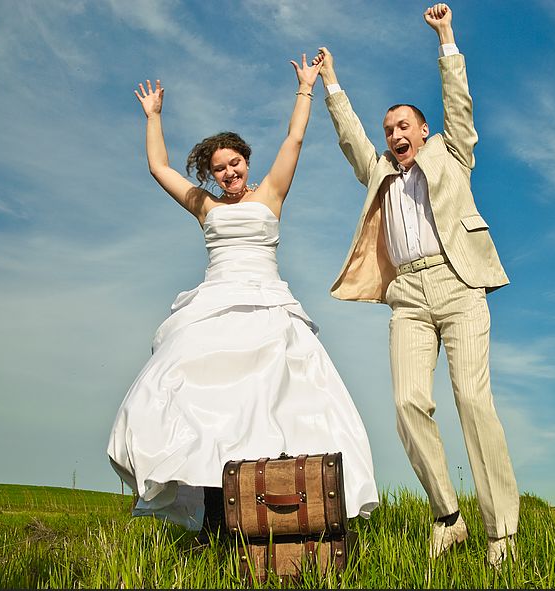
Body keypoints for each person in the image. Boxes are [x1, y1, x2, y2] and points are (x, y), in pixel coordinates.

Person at [107, 55, 379, 545]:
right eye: (219, 169)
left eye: (234, 163)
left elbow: (294, 139)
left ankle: (284, 513)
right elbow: (158, 167)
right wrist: (153, 116)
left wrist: (305, 88)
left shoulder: (271, 194)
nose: (229, 172)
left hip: (268, 306)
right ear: (211, 176)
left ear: (246, 162)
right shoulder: (205, 206)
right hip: (213, 307)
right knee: (198, 401)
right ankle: (214, 515)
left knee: (278, 404)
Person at [312, 3, 518, 567]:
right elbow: (352, 137)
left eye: (404, 126)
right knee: (407, 401)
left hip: (457, 285)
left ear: (424, 132)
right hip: (407, 295)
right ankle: (447, 516)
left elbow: (460, 104)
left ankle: (500, 531)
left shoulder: (452, 152)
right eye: (390, 130)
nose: (395, 135)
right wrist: (331, 83)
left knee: (473, 399)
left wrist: (446, 37)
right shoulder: (379, 170)